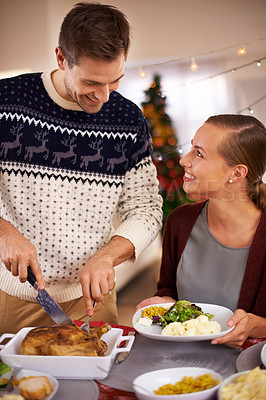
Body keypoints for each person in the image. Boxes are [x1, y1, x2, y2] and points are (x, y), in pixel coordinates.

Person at [0, 2, 163, 334]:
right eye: (91, 82)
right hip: (13, 297)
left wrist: (107, 257)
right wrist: (4, 231)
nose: (103, 97)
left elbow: (146, 209)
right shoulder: (6, 101)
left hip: (93, 299)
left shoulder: (128, 119)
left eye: (114, 81)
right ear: (61, 58)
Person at [137, 114, 266, 348]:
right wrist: (163, 302)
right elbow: (169, 291)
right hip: (182, 362)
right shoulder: (179, 222)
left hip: (251, 372)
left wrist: (254, 325)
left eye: (199, 153)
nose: (184, 160)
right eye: (191, 149)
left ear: (236, 173)